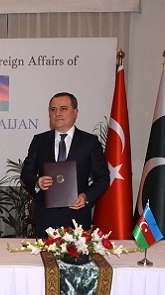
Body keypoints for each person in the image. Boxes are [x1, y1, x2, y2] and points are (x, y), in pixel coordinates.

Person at [20, 92, 109, 238]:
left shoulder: (89, 142)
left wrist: (86, 197)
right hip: (45, 219)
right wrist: (37, 182)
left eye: (63, 109)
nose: (57, 113)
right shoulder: (39, 141)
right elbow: (26, 172)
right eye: (53, 109)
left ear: (75, 112)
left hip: (77, 218)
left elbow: (103, 178)